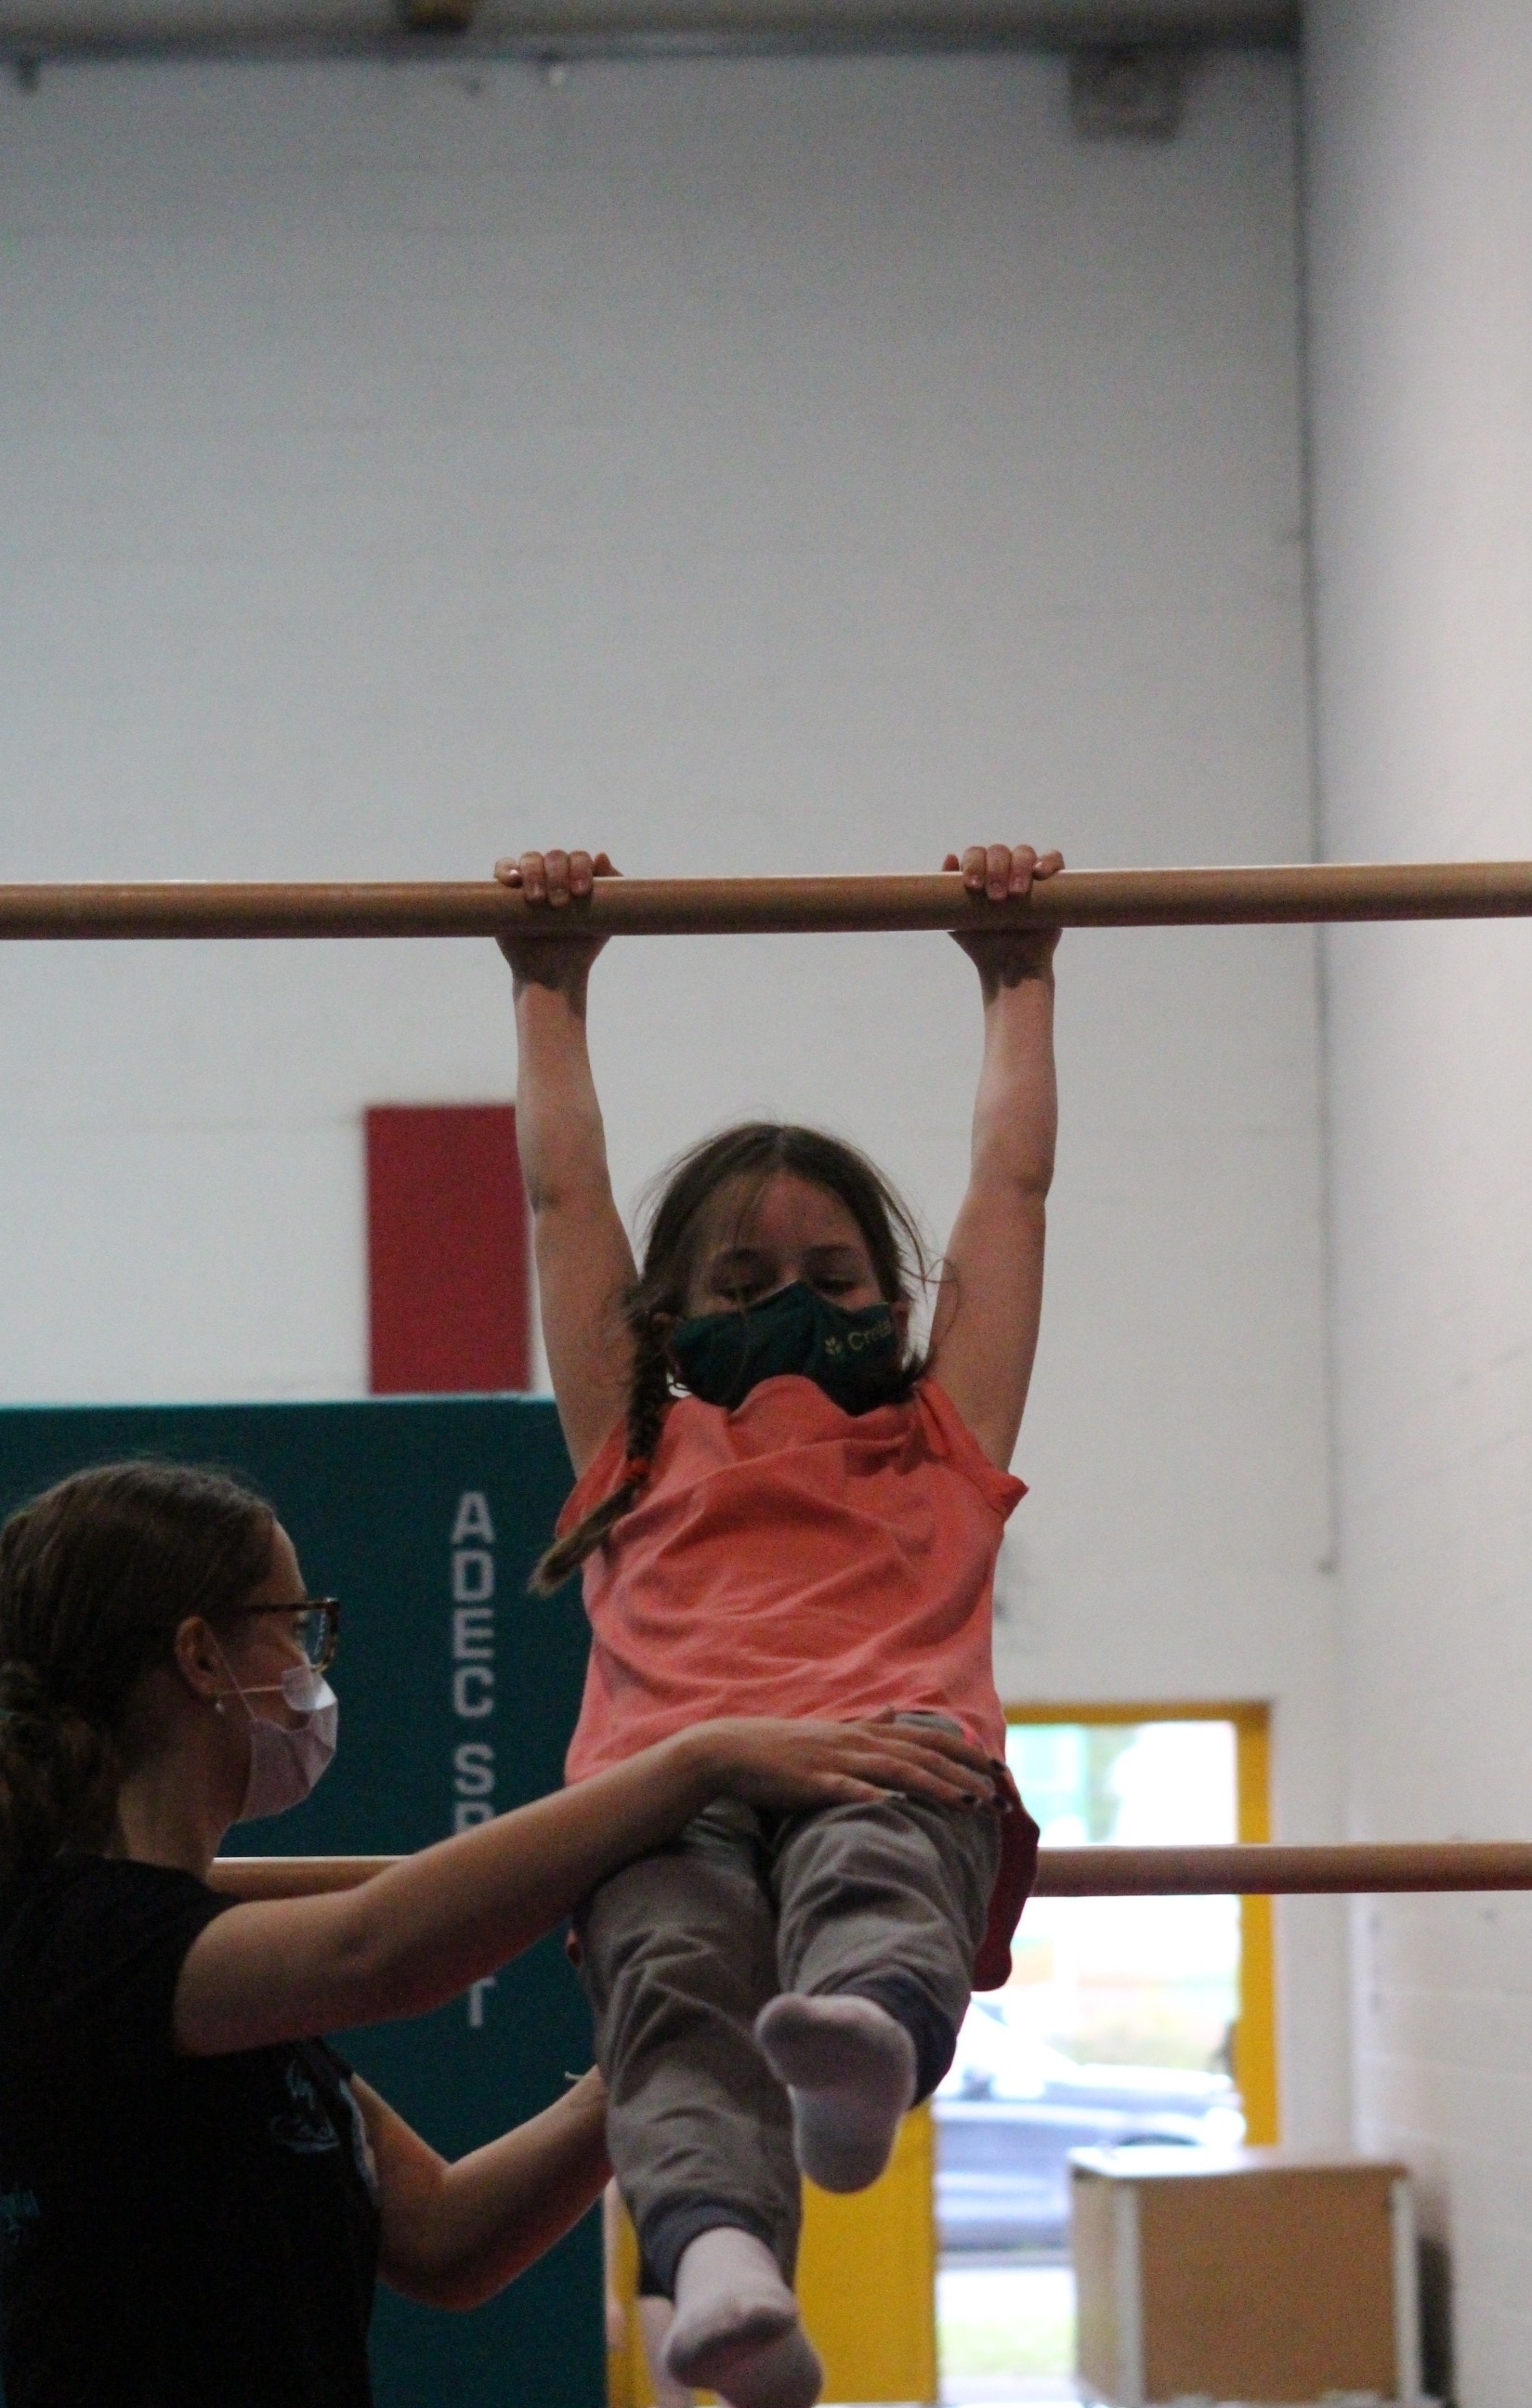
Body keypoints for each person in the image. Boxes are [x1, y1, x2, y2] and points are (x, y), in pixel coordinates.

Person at [0, 1456, 995, 2408]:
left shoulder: (218, 1983)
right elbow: (378, 1951)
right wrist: (698, 1761)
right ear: (199, 1656)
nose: (312, 1660)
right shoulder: (74, 1943)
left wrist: (672, 2034)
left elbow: (448, 2239)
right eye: (294, 1625)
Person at [494, 839, 1061, 2408]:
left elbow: (1010, 1188)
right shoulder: (635, 1444)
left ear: (899, 1301)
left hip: (885, 1758)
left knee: (876, 1866)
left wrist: (1017, 975)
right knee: (671, 1982)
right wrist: (548, 986)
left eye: (831, 1275)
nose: (791, 1302)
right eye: (742, 1280)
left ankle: (863, 2042)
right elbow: (561, 1196)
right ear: (669, 1319)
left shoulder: (938, 1438)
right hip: (663, 1793)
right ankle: (725, 2267)